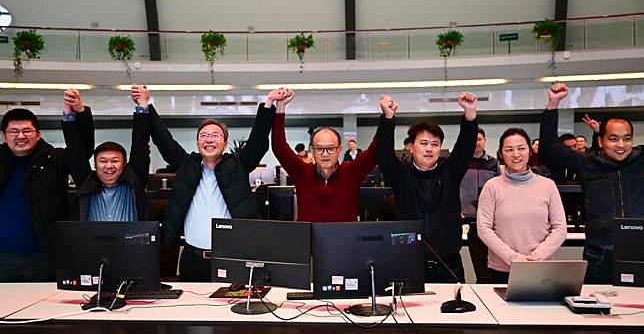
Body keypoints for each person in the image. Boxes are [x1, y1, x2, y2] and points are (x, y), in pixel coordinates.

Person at [148, 87, 278, 281]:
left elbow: (258, 140)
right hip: (192, 259)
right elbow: (164, 141)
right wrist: (146, 106)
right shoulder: (187, 166)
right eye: (203, 136)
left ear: (225, 143)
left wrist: (268, 104)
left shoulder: (237, 167)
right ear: (197, 142)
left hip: (230, 260)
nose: (209, 139)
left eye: (215, 135)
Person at [539, 82, 644, 283]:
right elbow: (550, 148)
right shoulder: (588, 163)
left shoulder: (641, 161)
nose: (621, 145)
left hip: (638, 250)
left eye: (627, 139)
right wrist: (553, 104)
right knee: (597, 309)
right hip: (599, 253)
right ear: (601, 141)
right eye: (613, 139)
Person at [376, 92, 478, 283]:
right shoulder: (401, 175)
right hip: (409, 264)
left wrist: (470, 115)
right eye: (424, 143)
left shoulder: (450, 173)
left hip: (449, 266)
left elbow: (465, 147)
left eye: (435, 144)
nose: (429, 149)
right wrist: (388, 118)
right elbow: (383, 155)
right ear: (411, 147)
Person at [0, 94, 93, 282]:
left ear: (38, 134)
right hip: (3, 258)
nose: (20, 136)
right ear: (4, 136)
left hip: (43, 257)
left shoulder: (54, 159)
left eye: (27, 130)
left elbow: (81, 153)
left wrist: (77, 114)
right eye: (14, 131)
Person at [476, 128, 567, 283]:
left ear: (530, 152)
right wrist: (514, 258)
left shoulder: (548, 185)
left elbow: (560, 228)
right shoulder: (492, 186)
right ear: (501, 153)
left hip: (541, 268)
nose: (516, 154)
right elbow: (484, 229)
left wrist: (536, 256)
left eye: (521, 148)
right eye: (509, 150)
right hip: (501, 270)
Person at [271, 88, 376, 222]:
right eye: (319, 149)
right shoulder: (302, 172)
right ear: (313, 151)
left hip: (346, 241)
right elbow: (279, 147)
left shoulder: (351, 172)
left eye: (330, 148)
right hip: (309, 241)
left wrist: (387, 117)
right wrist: (280, 107)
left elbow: (375, 151)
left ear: (339, 149)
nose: (325, 154)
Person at [65, 85, 152, 221]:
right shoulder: (86, 183)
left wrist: (143, 106)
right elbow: (74, 149)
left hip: (130, 242)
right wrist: (70, 112)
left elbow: (140, 143)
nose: (109, 166)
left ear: (124, 165)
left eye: (115, 161)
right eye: (103, 161)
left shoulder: (134, 182)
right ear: (95, 165)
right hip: (92, 242)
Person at [459, 127, 500, 283]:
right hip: (462, 217)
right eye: (473, 139)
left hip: (486, 219)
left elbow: (499, 188)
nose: (476, 143)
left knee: (484, 263)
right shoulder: (461, 162)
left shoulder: (493, 163)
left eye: (479, 139)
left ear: (485, 141)